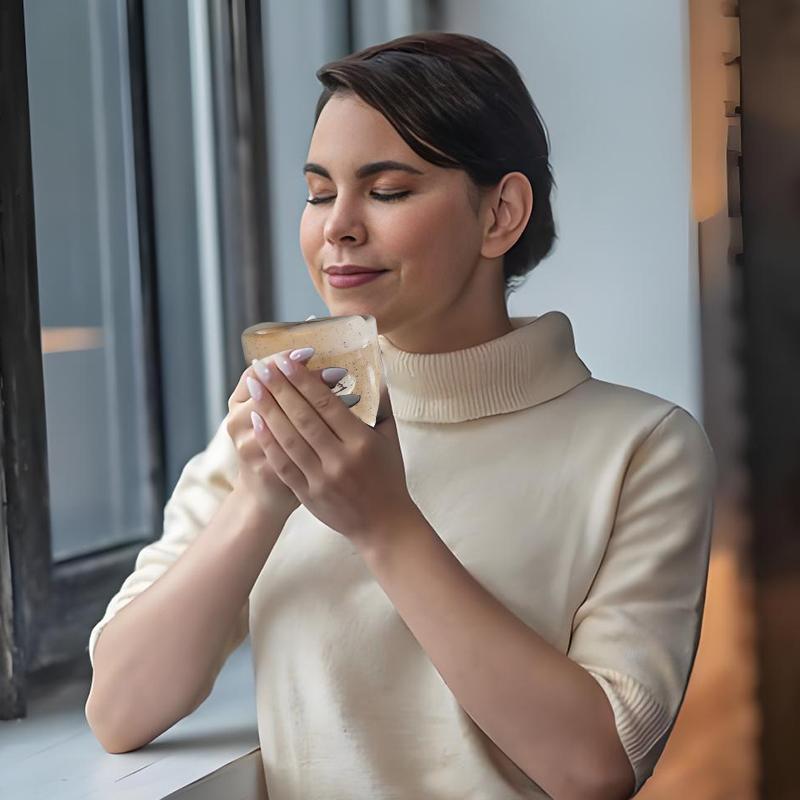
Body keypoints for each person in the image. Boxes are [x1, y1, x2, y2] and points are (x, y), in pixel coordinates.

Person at [85, 32, 716, 800]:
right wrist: (257, 502)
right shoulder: (275, 427)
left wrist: (385, 525)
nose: (337, 228)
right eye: (320, 192)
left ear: (502, 214)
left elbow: (595, 769)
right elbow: (119, 712)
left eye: (386, 191)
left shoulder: (645, 449)